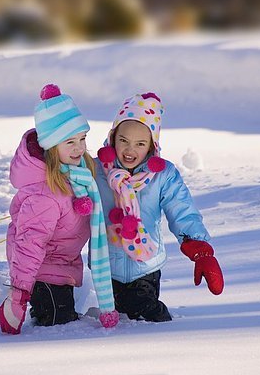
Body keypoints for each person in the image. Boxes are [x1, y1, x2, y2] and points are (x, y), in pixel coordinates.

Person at [0, 84, 119, 335]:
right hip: (41, 274)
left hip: (63, 269)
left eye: (82, 139)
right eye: (69, 141)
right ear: (51, 147)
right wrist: (18, 295)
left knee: (65, 319)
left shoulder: (78, 174)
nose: (79, 148)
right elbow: (29, 243)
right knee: (56, 329)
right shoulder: (45, 195)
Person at [94, 92, 224, 322]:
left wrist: (199, 247)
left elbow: (181, 209)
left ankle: (163, 333)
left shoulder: (162, 175)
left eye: (140, 143)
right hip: (105, 264)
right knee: (115, 317)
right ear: (113, 137)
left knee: (142, 311)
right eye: (123, 140)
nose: (129, 150)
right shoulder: (96, 170)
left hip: (145, 264)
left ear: (152, 146)